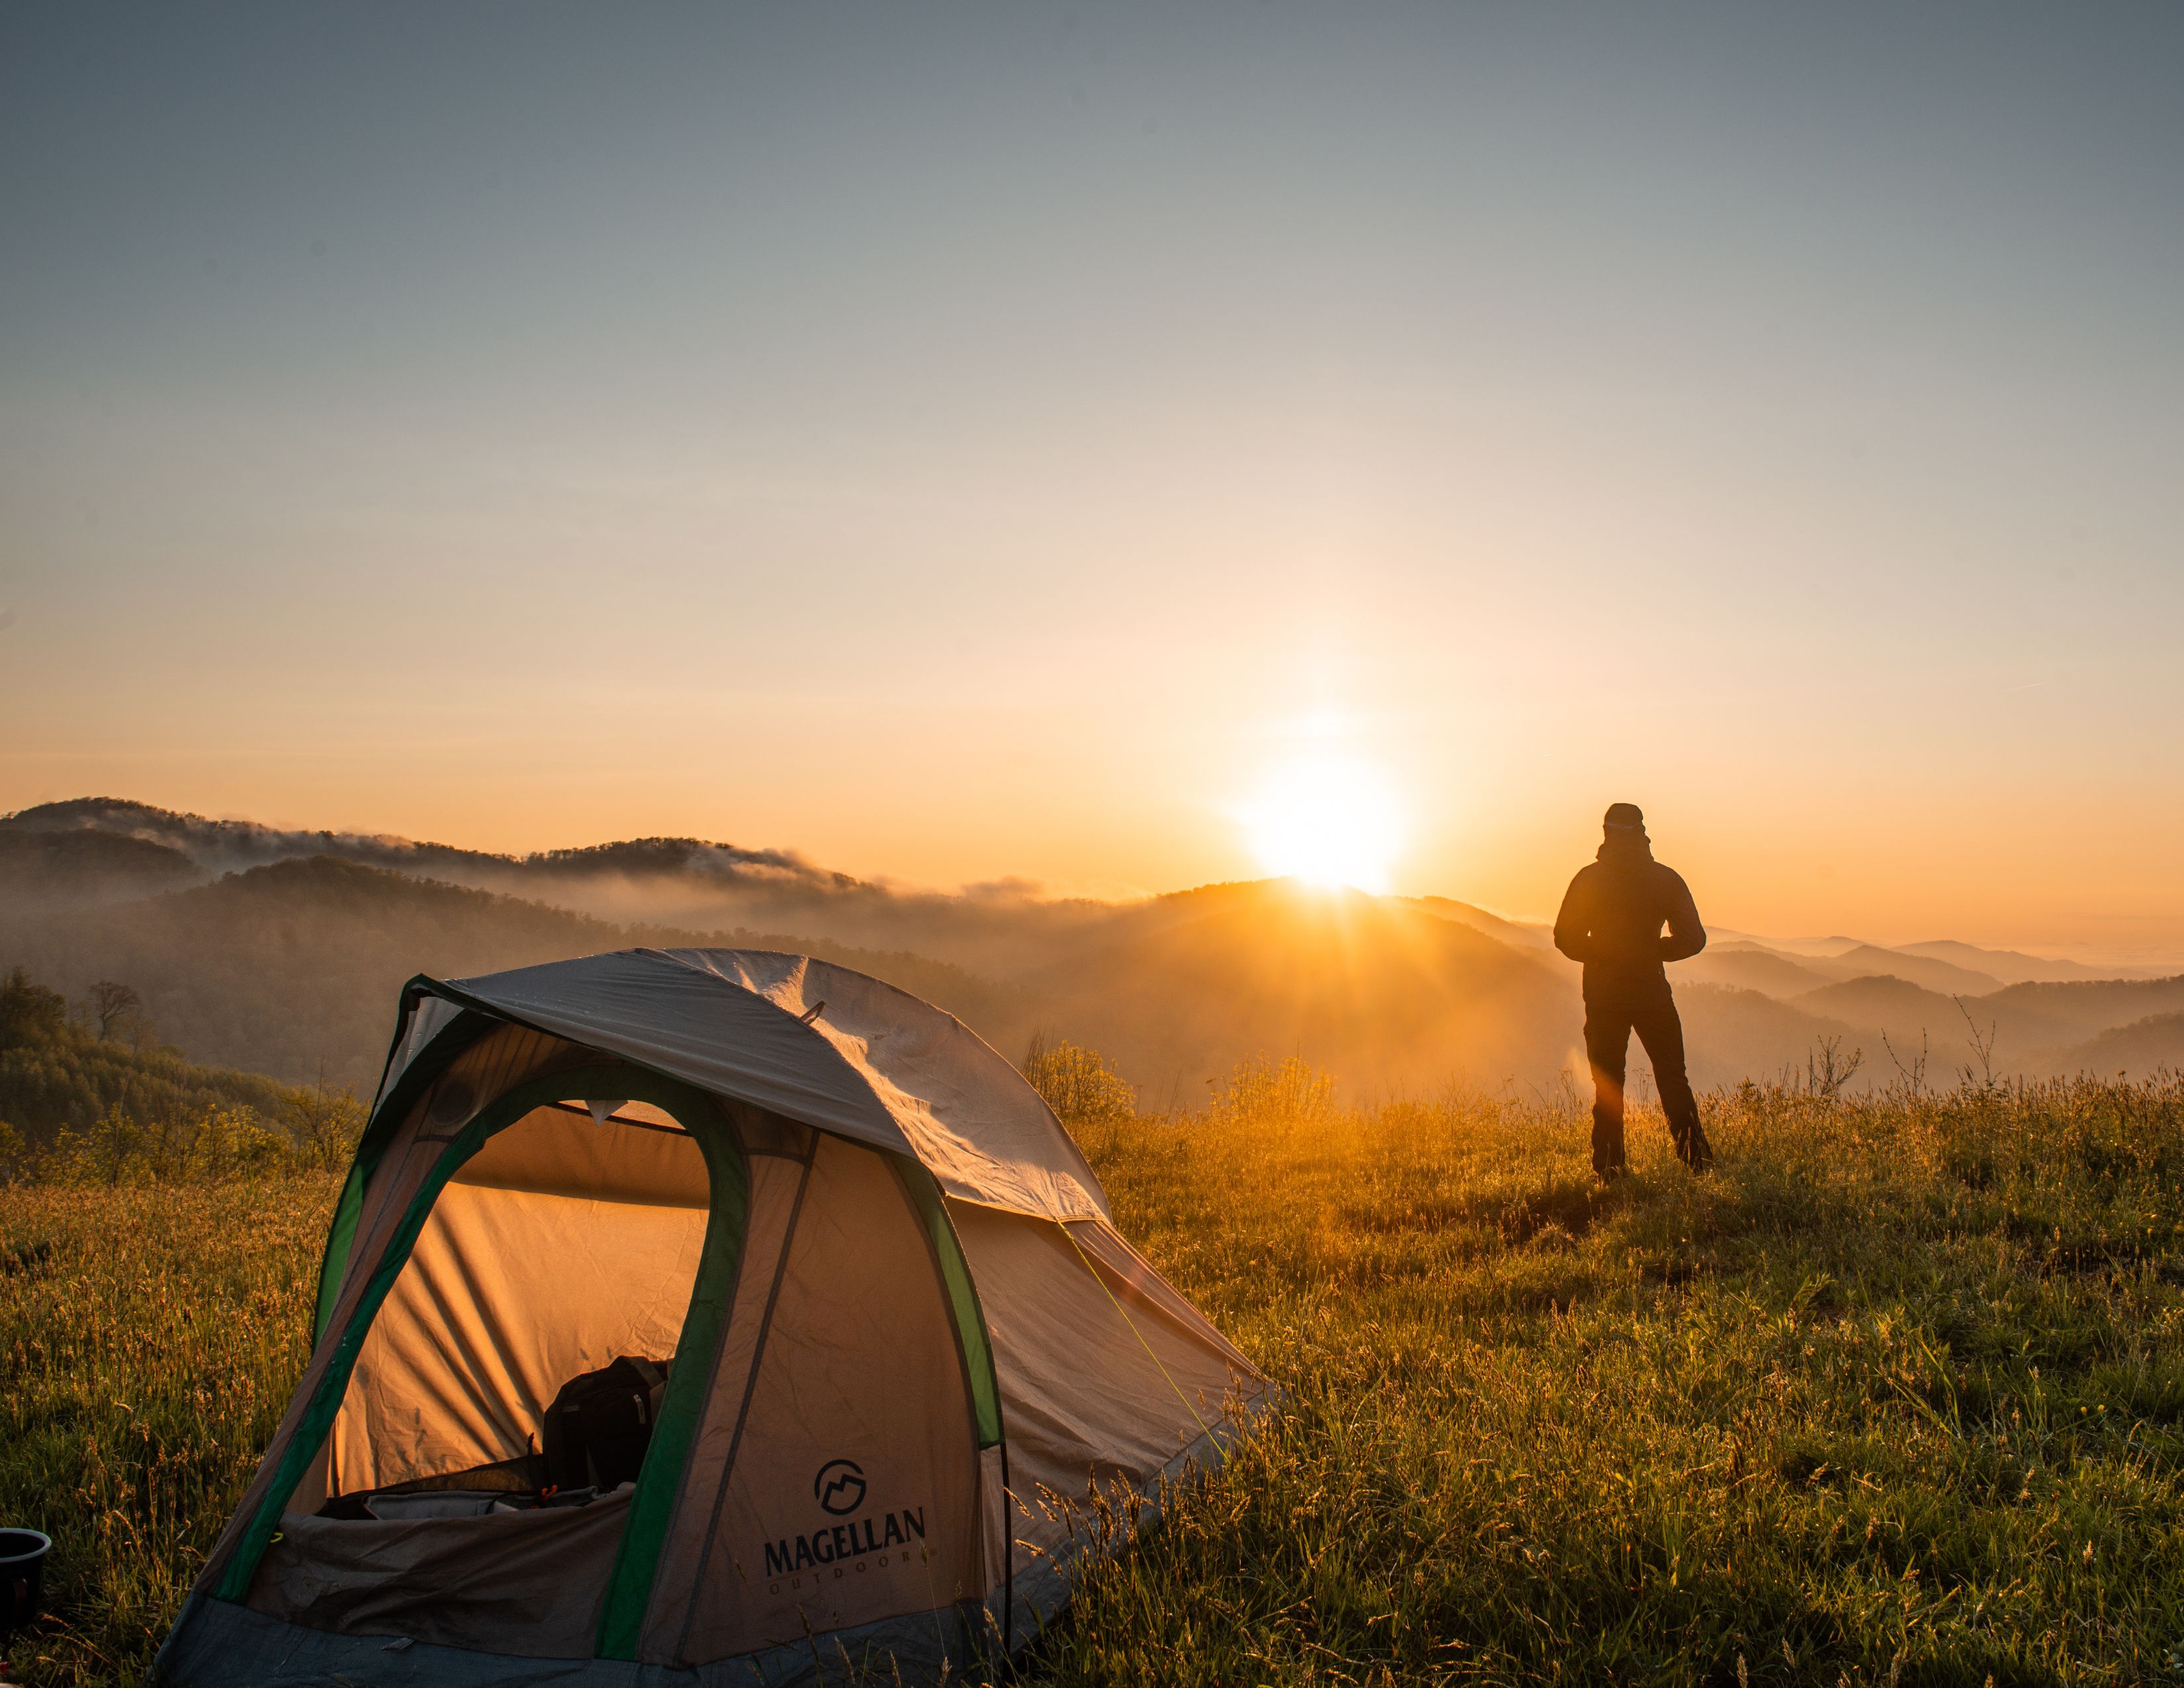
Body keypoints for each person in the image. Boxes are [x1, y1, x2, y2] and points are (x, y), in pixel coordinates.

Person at [1553, 802, 1713, 1178]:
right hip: (1652, 993)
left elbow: (1565, 938)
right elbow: (1694, 938)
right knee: (1673, 1077)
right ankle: (1699, 1163)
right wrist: (1654, 950)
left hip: (1604, 995)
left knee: (1608, 1083)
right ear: (1642, 832)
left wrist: (1603, 952)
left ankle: (1610, 1169)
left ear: (1606, 833)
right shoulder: (1665, 879)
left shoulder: (1589, 879)